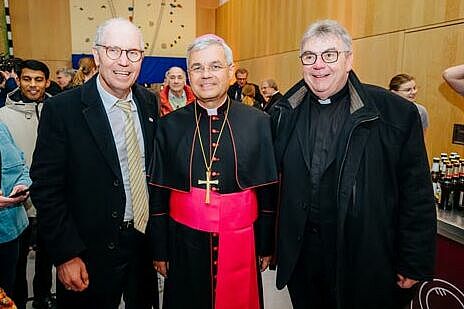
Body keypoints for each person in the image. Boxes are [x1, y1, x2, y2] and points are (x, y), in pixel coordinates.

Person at [271, 19, 436, 309]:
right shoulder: (284, 112)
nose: (318, 65)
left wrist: (413, 259)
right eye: (309, 57)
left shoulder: (395, 114)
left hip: (364, 255)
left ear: (349, 59)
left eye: (329, 55)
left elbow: (417, 194)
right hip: (304, 258)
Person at [29, 18, 159, 309]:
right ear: (97, 55)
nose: (124, 62)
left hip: (142, 247)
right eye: (114, 50)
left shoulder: (149, 104)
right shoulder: (62, 109)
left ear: (141, 57)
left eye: (133, 53)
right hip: (87, 254)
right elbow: (47, 189)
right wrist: (65, 254)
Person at [149, 34, 278, 309]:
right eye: (197, 67)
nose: (205, 75)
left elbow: (268, 191)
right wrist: (160, 249)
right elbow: (158, 195)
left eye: (215, 66)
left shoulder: (259, 122)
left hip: (243, 238)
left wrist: (266, 244)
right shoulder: (169, 126)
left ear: (231, 72)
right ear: (188, 74)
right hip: (184, 241)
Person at [0, 59, 55, 309]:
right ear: (18, 80)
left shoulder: (57, 110)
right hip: (16, 201)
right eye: (27, 79)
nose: (32, 85)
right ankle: (18, 300)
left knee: (48, 253)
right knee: (17, 258)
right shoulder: (4, 115)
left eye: (38, 79)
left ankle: (43, 295)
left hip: (50, 197)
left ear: (47, 82)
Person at [0, 122, 31, 298]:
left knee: (9, 296)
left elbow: (21, 164)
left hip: (11, 232)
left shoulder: (2, 128)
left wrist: (22, 184)